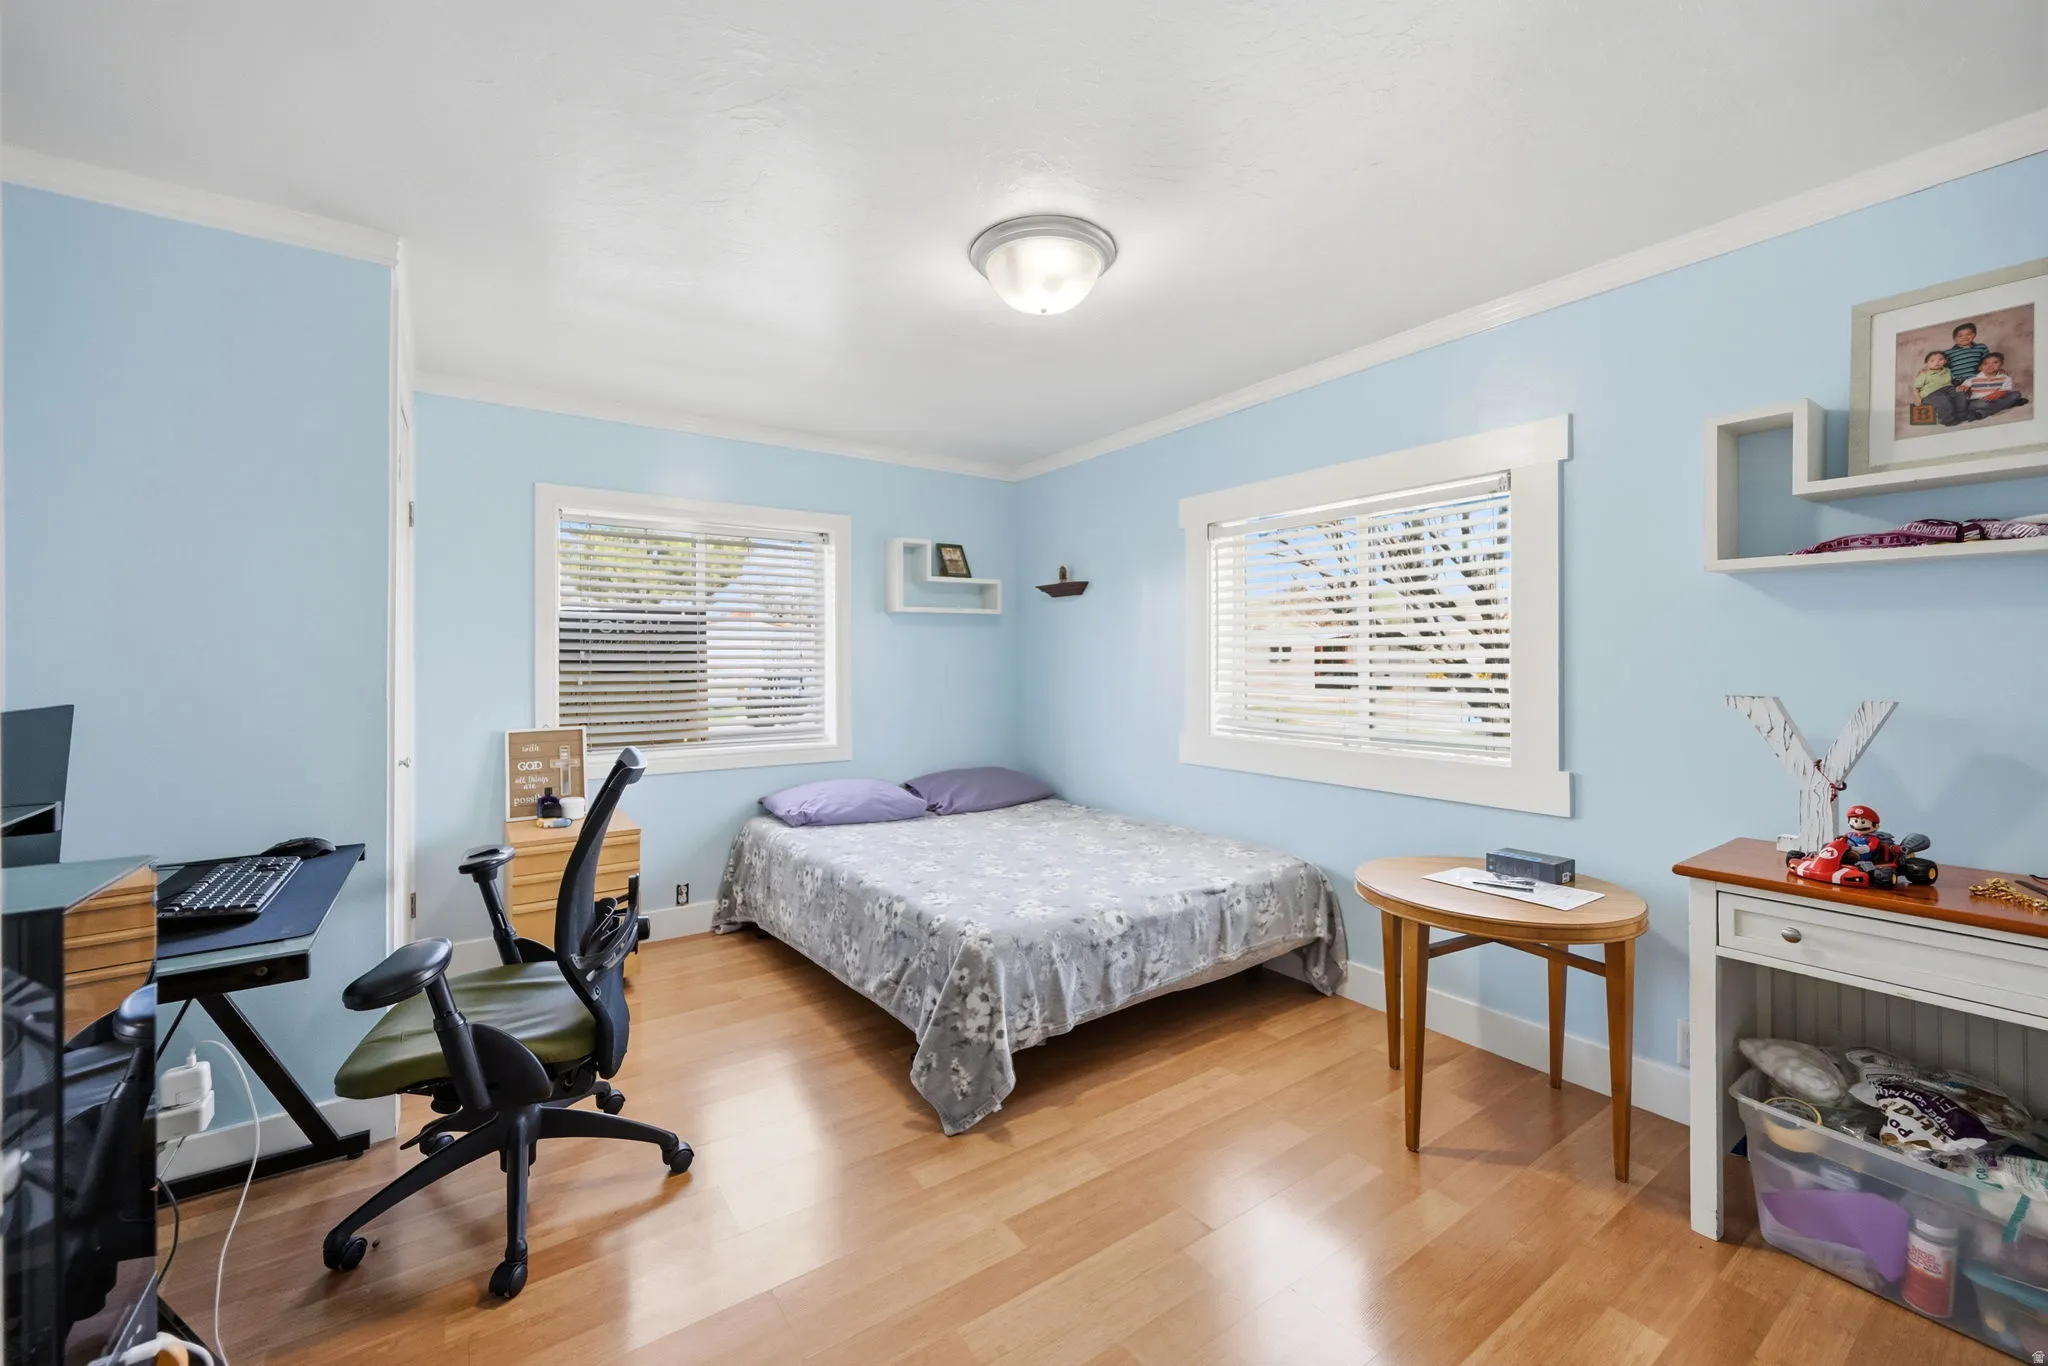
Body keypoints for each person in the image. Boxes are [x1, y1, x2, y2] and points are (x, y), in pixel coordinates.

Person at [1960, 351, 2029, 421]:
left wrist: (1996, 394)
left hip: (1997, 398)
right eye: (1985, 363)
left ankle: (1981, 413)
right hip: (1979, 401)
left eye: (1995, 362)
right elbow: (1964, 386)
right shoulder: (1973, 378)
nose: (1990, 365)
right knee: (1982, 405)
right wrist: (1964, 387)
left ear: (2001, 364)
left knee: (2016, 394)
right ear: (1980, 367)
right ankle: (2008, 404)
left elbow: (2005, 390)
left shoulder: (2005, 377)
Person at [1912, 349, 1969, 426]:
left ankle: (1961, 415)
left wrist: (1959, 386)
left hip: (1948, 389)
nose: (1937, 362)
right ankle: (1948, 420)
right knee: (1943, 399)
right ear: (1927, 363)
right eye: (1932, 361)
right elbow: (1916, 389)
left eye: (1940, 359)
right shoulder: (1924, 374)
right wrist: (1917, 399)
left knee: (1960, 394)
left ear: (1945, 361)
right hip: (1931, 394)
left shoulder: (1947, 370)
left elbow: (1953, 381)